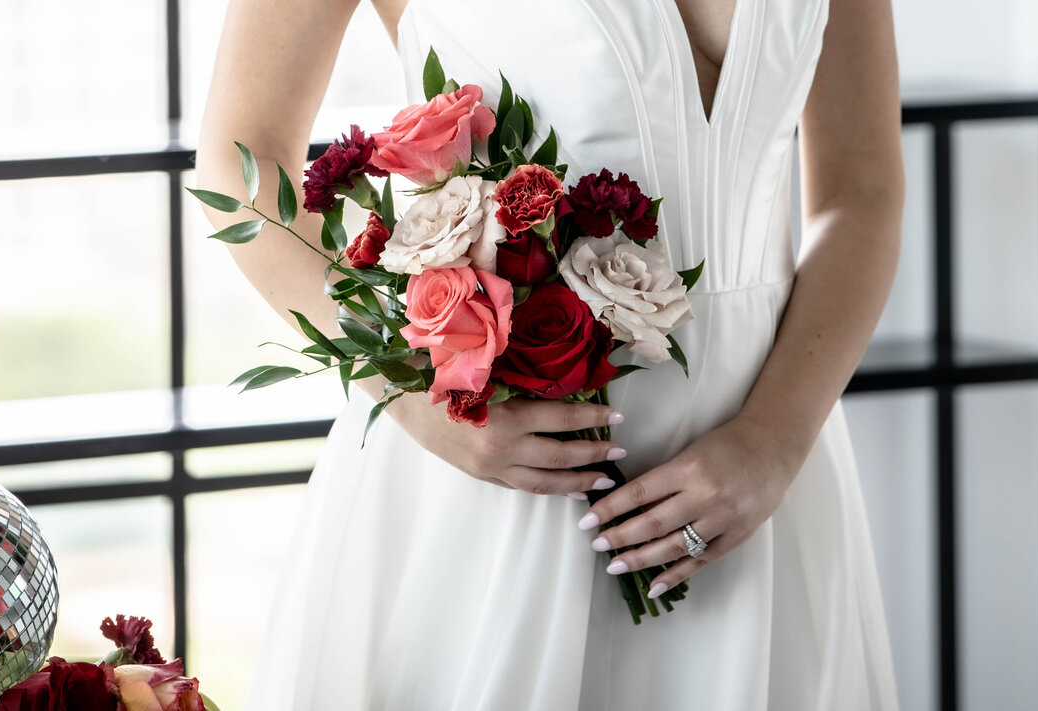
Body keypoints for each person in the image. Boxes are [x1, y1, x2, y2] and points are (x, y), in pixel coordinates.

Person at [196, 0, 904, 707]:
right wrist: (413, 395)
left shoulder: (775, 448)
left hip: (770, 478)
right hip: (498, 467)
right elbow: (240, 158)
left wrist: (774, 440)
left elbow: (862, 187)